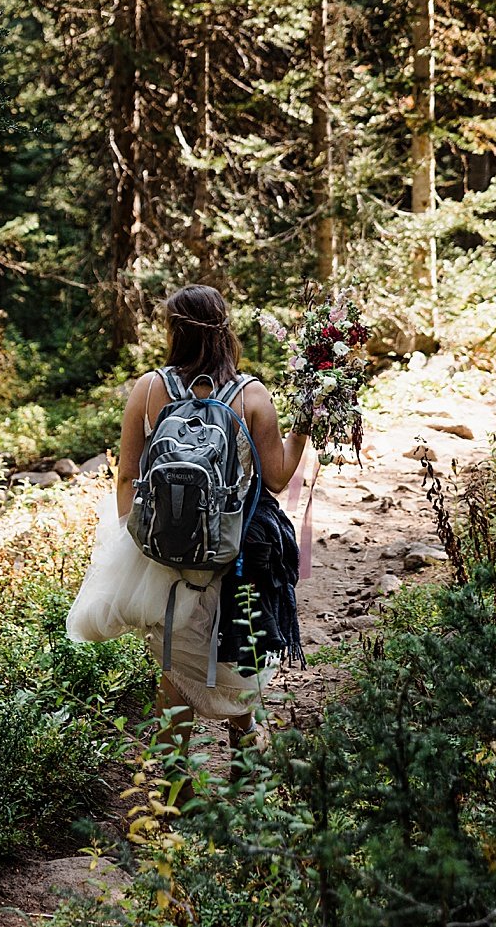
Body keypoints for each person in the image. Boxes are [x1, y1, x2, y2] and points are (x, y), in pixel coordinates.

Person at [114, 285, 309, 749]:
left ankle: (172, 787)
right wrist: (303, 428)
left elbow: (126, 477)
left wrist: (139, 544)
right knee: (237, 649)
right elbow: (277, 479)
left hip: (166, 554)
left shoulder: (149, 389)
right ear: (225, 329)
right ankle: (244, 753)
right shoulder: (252, 394)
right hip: (234, 548)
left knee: (175, 669)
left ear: (173, 330)